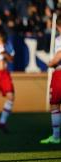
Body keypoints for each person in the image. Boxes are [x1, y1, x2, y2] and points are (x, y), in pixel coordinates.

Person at [40, 15, 61, 144]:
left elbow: (59, 54)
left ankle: (56, 136)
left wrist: (51, 63)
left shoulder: (59, 38)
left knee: (55, 104)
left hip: (59, 74)